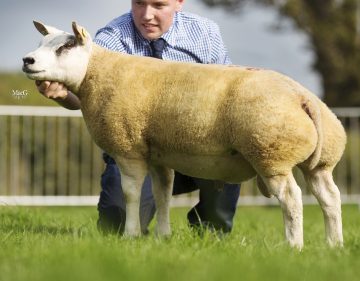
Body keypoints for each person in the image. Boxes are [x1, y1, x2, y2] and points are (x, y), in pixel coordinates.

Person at [36, 0, 241, 235]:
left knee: (230, 154)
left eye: (159, 5)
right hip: (135, 155)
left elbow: (227, 87)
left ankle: (211, 234)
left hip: (196, 150)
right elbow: (85, 97)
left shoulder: (205, 33)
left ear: (179, 3)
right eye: (139, 3)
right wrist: (61, 95)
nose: (146, 15)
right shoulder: (111, 40)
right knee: (116, 228)